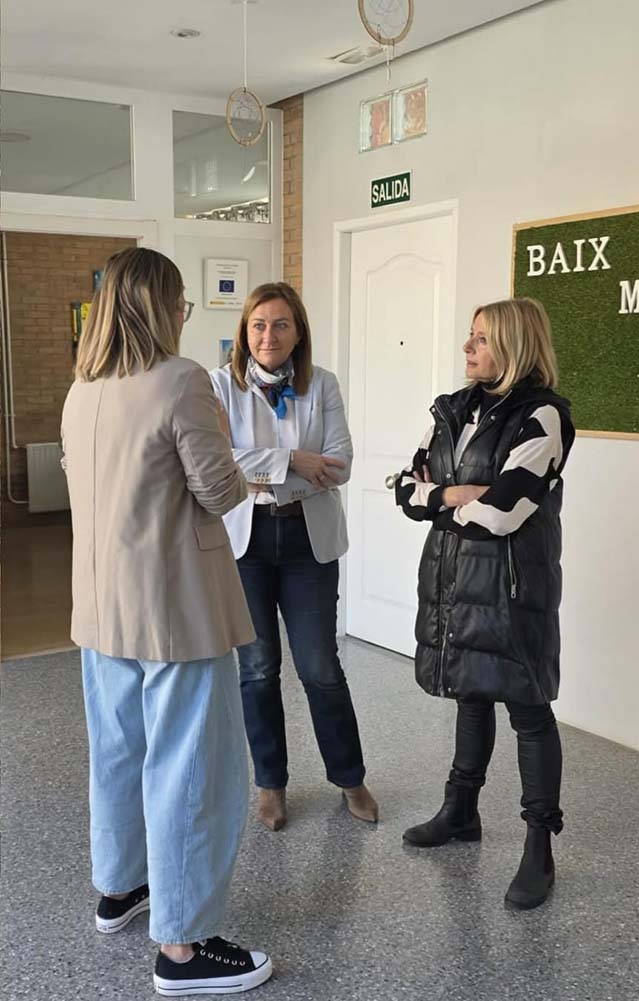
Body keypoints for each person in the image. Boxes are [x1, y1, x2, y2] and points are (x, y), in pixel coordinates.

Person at [61, 247, 273, 996]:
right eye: (179, 301)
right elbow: (217, 492)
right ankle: (182, 947)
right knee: (192, 769)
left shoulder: (83, 388)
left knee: (118, 751)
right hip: (175, 605)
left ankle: (120, 887)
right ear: (160, 305)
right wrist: (239, 460)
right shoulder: (182, 380)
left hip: (102, 605)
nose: (184, 313)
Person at [395, 297, 575, 909]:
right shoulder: (451, 409)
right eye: (469, 336)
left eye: (481, 339)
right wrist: (455, 493)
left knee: (528, 708)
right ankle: (461, 812)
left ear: (515, 346)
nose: (467, 348)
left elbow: (503, 513)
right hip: (452, 578)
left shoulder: (544, 416)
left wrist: (444, 499)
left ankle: (539, 846)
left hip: (513, 585)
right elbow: (405, 491)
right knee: (470, 693)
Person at [210, 282, 377, 831]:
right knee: (258, 669)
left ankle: (350, 778)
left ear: (299, 332)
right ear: (244, 332)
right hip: (246, 543)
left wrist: (267, 469)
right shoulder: (219, 386)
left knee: (320, 667)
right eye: (258, 325)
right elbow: (217, 462)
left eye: (281, 324)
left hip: (309, 541)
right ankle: (271, 785)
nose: (269, 336)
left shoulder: (322, 383)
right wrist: (294, 462)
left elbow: (341, 463)